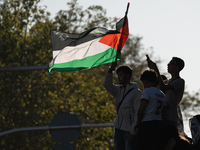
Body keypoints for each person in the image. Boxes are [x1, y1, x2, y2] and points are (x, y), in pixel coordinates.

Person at [103, 61, 142, 150]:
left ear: (127, 76)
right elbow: (107, 84)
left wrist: (133, 132)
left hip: (128, 131)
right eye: (118, 75)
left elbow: (137, 114)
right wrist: (110, 70)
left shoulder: (136, 93)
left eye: (120, 75)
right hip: (118, 130)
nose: (118, 78)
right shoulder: (118, 90)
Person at [146, 55, 186, 137]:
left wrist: (156, 69)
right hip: (160, 116)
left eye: (171, 63)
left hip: (170, 117)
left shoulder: (179, 81)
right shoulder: (167, 81)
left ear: (177, 67)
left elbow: (163, 88)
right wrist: (152, 70)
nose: (168, 65)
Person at [134, 69, 168, 150]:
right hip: (158, 125)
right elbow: (164, 114)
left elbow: (141, 110)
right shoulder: (162, 94)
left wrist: (138, 123)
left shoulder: (147, 91)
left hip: (147, 125)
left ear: (146, 81)